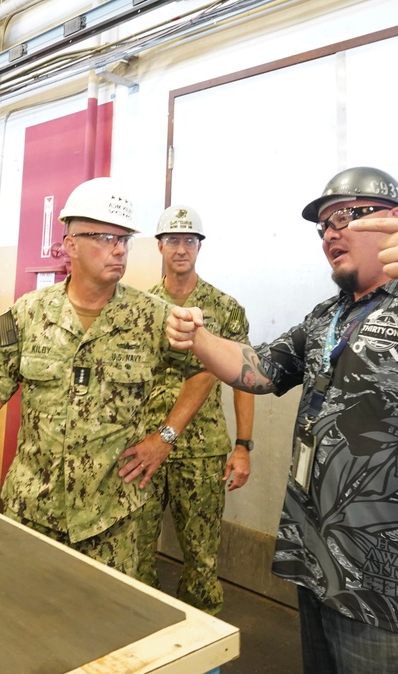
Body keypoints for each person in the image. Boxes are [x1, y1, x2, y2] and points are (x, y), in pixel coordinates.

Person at [166, 167, 398, 672]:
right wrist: (199, 339)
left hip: (394, 589)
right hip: (318, 565)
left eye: (343, 217)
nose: (329, 233)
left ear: (394, 222)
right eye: (322, 225)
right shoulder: (329, 315)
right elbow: (260, 369)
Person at [0, 177, 210, 577]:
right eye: (103, 237)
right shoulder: (28, 313)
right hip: (33, 507)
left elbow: (204, 371)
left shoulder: (152, 316)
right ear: (70, 245)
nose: (119, 249)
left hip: (112, 518)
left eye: (124, 239)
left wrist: (164, 438)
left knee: (107, 624)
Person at [136, 204, 254, 615]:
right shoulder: (141, 306)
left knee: (202, 561)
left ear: (200, 247)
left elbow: (244, 380)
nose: (181, 248)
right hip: (144, 449)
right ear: (159, 246)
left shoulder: (225, 308)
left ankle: (201, 650)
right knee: (134, 554)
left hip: (201, 451)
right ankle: (141, 634)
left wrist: (243, 446)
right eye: (173, 240)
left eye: (189, 240)